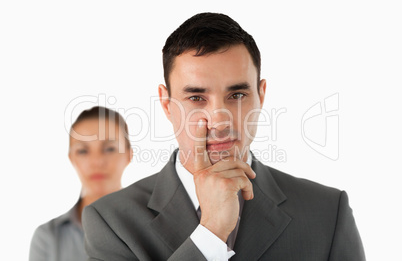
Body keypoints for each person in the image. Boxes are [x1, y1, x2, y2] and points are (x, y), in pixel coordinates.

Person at [83, 13, 365, 260]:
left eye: (238, 95)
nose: (219, 119)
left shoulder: (327, 212)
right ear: (167, 105)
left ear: (261, 95)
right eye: (196, 97)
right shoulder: (111, 221)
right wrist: (211, 233)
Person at [29, 106, 133, 261]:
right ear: (72, 158)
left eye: (110, 149)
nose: (97, 162)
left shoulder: (151, 227)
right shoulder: (48, 237)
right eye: (83, 151)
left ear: (128, 155)